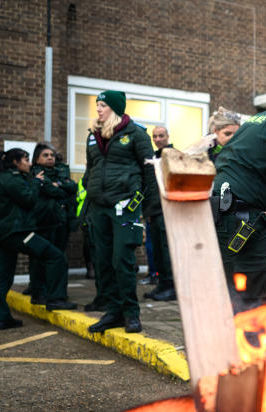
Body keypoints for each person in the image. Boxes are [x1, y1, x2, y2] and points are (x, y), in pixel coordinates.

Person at [83, 90, 158, 334]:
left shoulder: (136, 134)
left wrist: (141, 206)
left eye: (103, 105)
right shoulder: (93, 136)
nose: (98, 109)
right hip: (99, 208)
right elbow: (90, 169)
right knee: (103, 262)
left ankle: (131, 313)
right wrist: (89, 187)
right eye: (97, 105)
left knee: (122, 261)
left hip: (125, 206)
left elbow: (150, 173)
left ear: (115, 108)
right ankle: (113, 312)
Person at [0, 149, 76, 329]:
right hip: (18, 232)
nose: (29, 163)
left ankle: (2, 318)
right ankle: (55, 299)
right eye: (26, 160)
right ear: (15, 162)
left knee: (3, 275)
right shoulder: (12, 178)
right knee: (55, 256)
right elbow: (28, 199)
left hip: (2, 234)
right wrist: (36, 183)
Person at [212, 110, 266, 312]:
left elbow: (249, 172)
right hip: (237, 213)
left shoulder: (261, 120)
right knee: (255, 280)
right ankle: (247, 336)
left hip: (232, 208)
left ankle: (242, 331)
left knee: (243, 279)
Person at [28, 142, 77, 305]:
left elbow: (73, 187)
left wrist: (60, 186)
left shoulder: (60, 172)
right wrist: (59, 188)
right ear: (37, 159)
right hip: (43, 221)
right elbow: (51, 190)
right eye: (45, 155)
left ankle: (55, 292)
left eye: (52, 155)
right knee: (40, 259)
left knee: (59, 258)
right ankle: (38, 293)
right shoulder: (35, 173)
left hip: (59, 221)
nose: (50, 158)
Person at [143, 125, 175, 301]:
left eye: (161, 136)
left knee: (166, 249)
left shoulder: (173, 155)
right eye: (155, 136)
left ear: (168, 136)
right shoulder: (153, 157)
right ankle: (162, 285)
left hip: (167, 211)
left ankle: (171, 287)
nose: (157, 139)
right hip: (153, 210)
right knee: (157, 251)